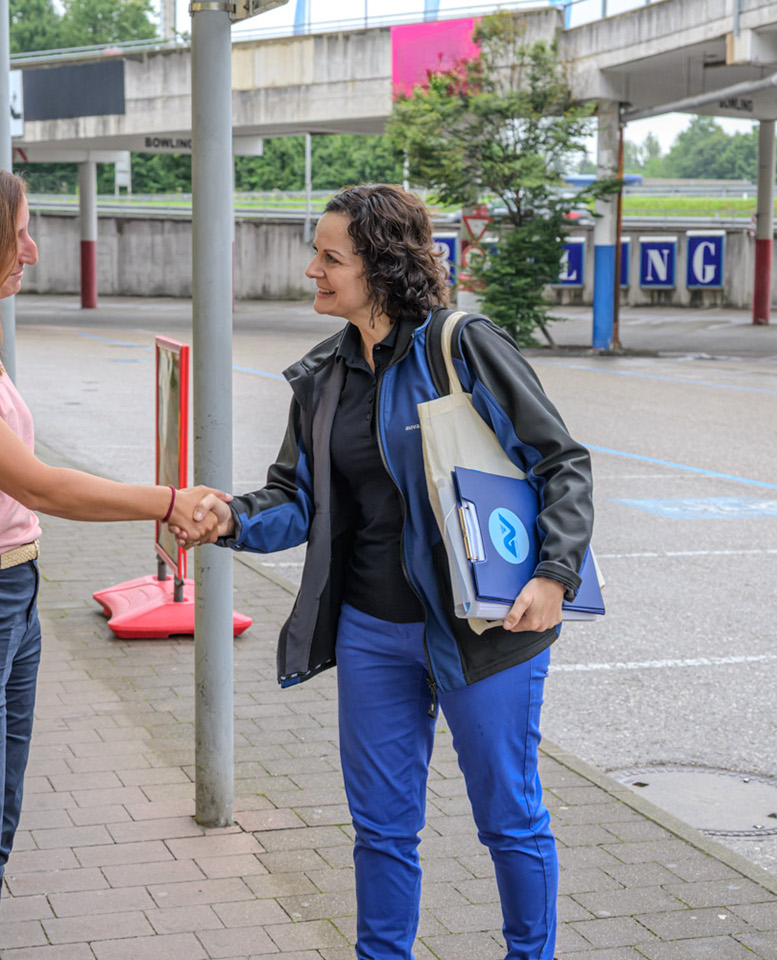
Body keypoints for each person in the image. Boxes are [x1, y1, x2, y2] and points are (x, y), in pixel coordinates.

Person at [179, 184, 594, 960]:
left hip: (482, 630)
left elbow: (562, 460)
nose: (312, 270)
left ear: (382, 267)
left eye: (330, 257)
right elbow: (295, 498)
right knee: (380, 829)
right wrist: (230, 517)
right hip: (371, 634)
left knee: (508, 818)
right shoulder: (323, 379)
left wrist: (554, 574)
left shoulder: (460, 346)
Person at [0, 151, 224, 960]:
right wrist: (167, 500)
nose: (30, 251)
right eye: (18, 235)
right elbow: (34, 482)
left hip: (0, 608)